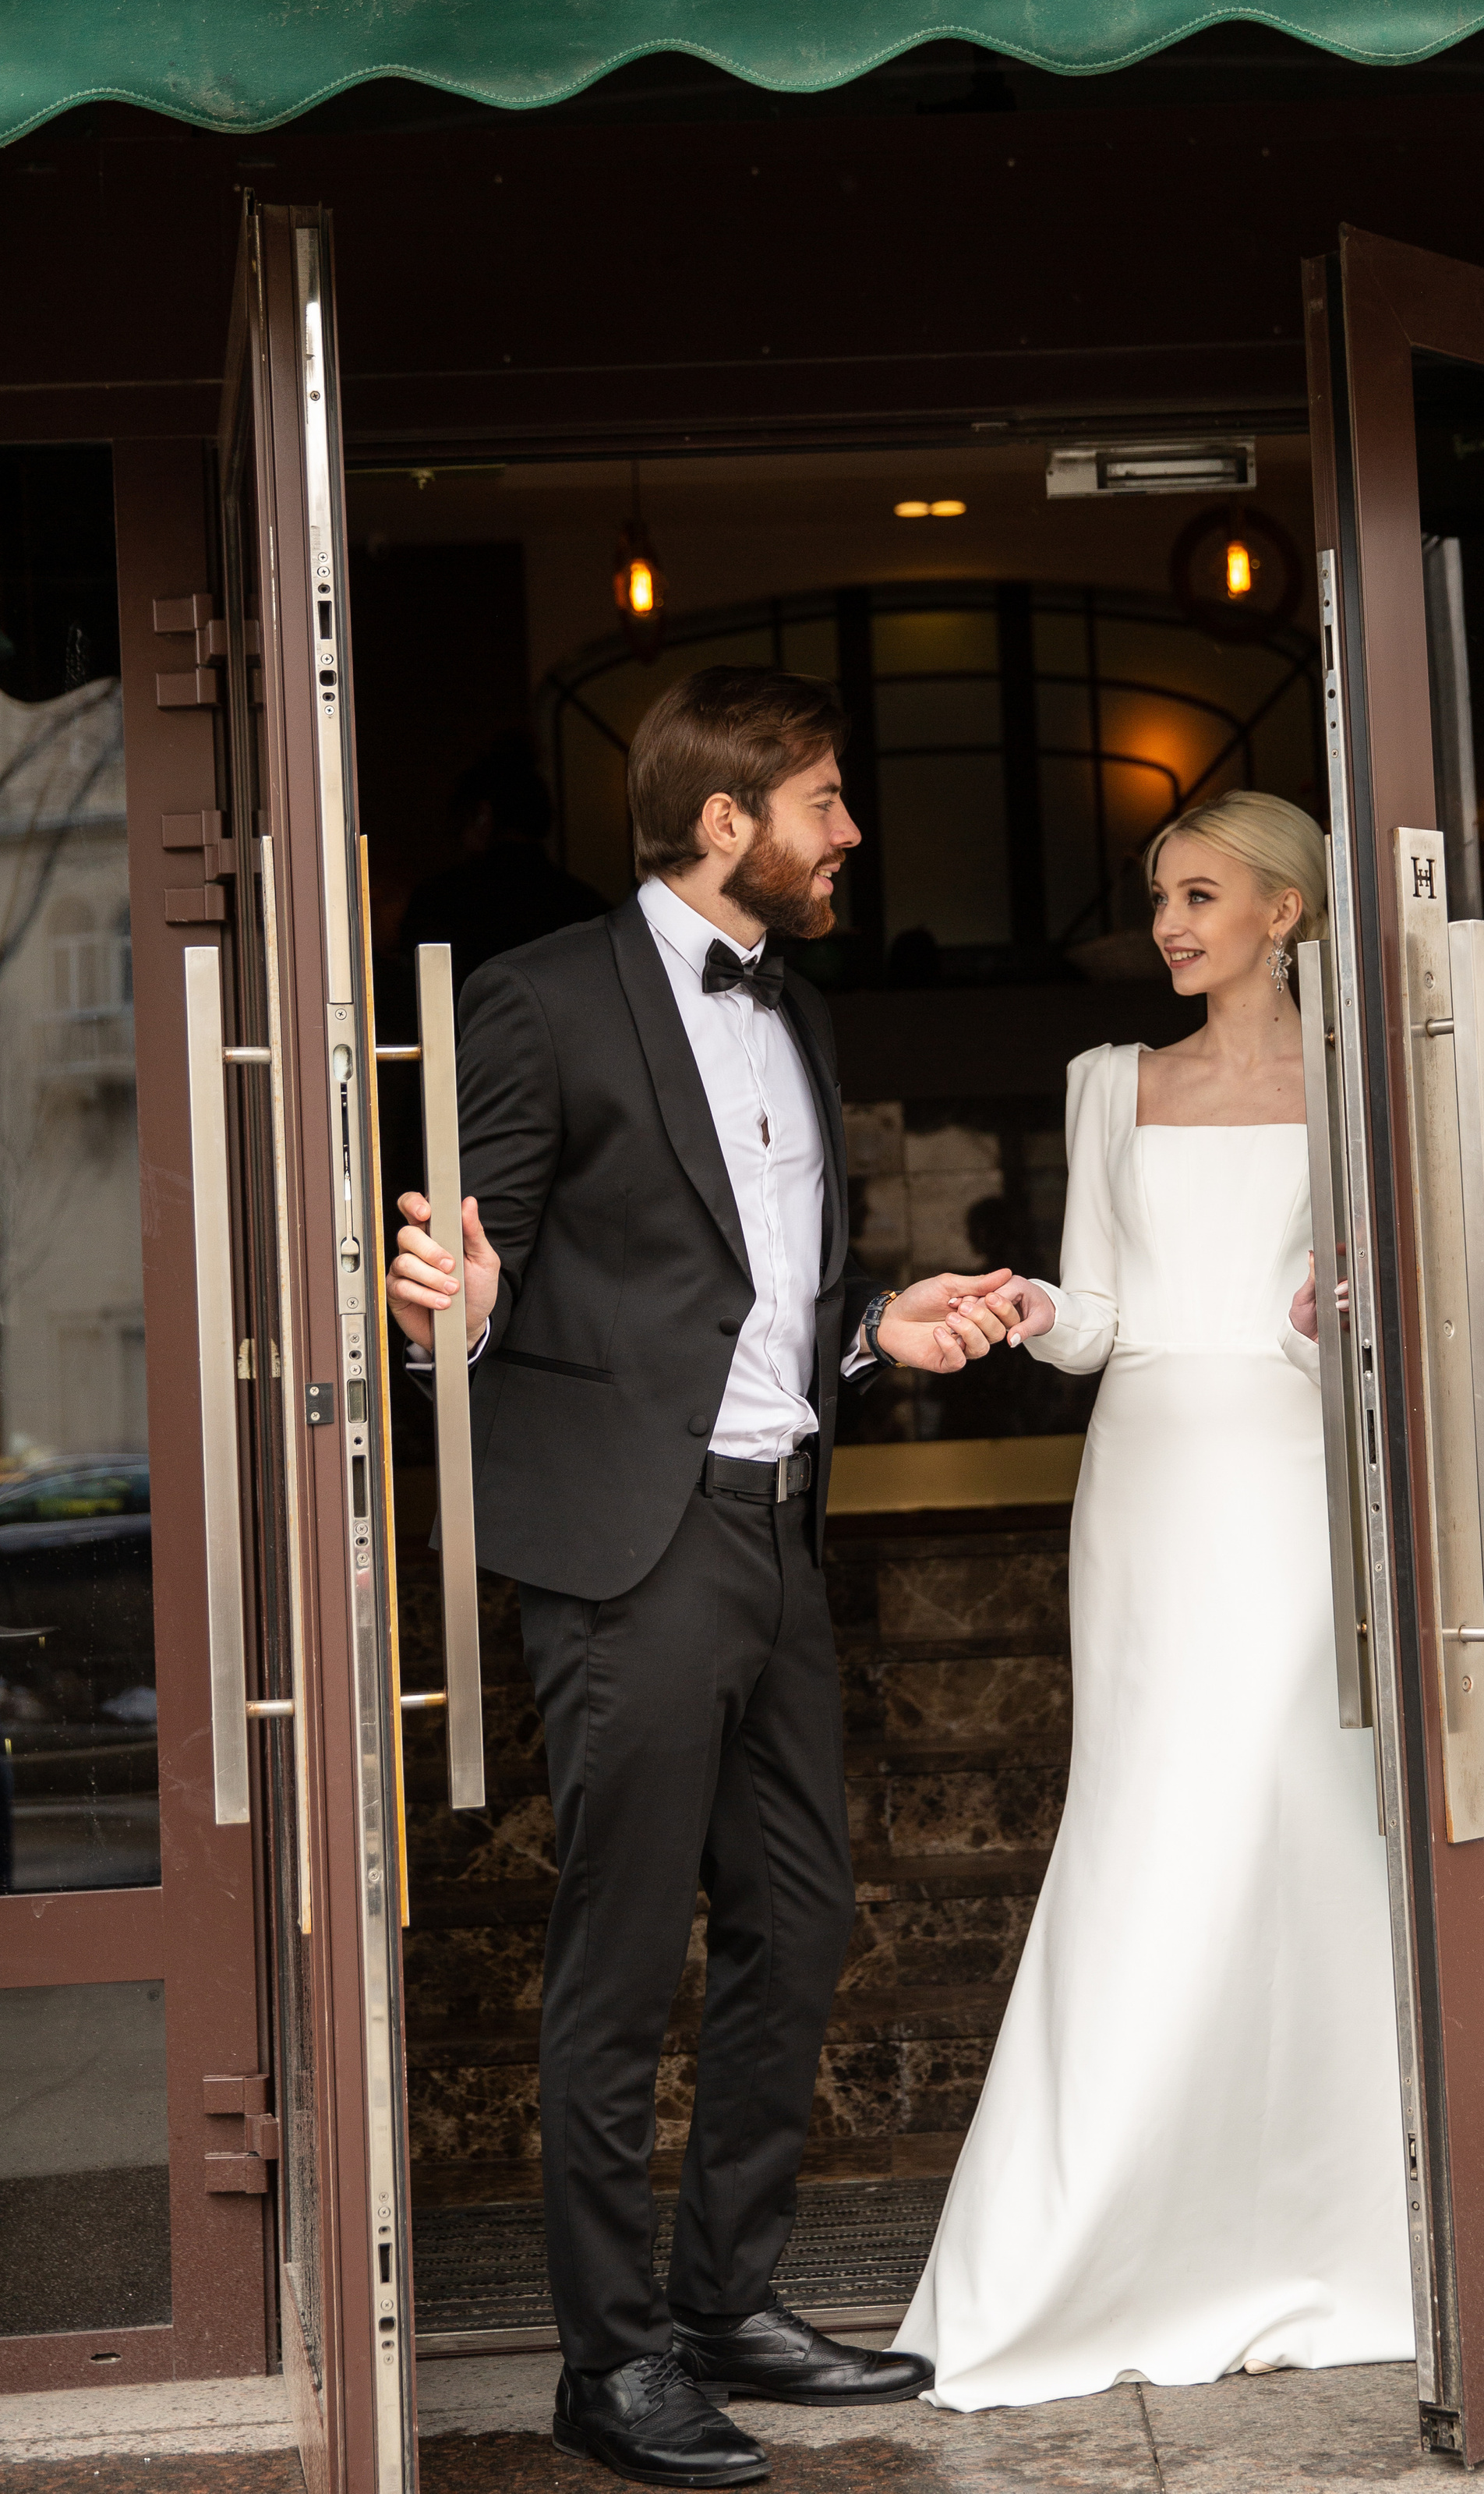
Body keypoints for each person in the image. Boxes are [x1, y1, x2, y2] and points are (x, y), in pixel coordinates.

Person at [387, 667, 1022, 2490]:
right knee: (615, 1954)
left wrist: (874, 1329)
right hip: (626, 1544)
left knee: (802, 1914)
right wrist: (456, 1296)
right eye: (822, 800)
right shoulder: (539, 999)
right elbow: (477, 1249)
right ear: (724, 820)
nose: (846, 835)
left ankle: (726, 2296)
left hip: (772, 1520)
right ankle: (608, 2364)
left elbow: (773, 1311)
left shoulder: (798, 1016)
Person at [894, 790, 1415, 2410]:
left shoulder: (1353, 1079)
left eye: (1200, 896)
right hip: (1149, 1480)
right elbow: (1095, 1317)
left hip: (1292, 1471)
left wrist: (1343, 1309)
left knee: (1301, 1808)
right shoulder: (1108, 1083)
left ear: (1285, 913)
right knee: (1152, 1820)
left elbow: (1387, 1301)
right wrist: (1025, 1302)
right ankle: (1084, 2241)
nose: (1169, 924)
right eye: (1159, 897)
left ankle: (1344, 2226)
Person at [398, 734, 607, 992]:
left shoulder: (441, 901)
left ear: (483, 816)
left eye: (460, 822)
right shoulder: (586, 907)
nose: (458, 838)